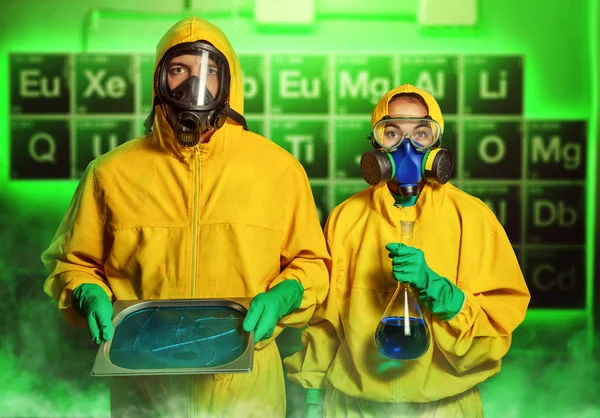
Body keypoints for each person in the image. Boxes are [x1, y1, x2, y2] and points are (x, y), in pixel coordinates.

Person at [41, 16, 330, 418]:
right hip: (144, 390)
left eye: (210, 70)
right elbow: (73, 263)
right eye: (180, 69)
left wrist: (289, 292)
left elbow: (312, 264)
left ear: (229, 83)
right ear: (160, 79)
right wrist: (85, 293)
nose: (194, 85)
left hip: (248, 395)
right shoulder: (110, 173)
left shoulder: (278, 170)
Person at [284, 84, 530, 417]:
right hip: (354, 407)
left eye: (421, 133)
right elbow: (325, 323)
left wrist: (438, 290)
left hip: (442, 407)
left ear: (436, 145)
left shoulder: (471, 218)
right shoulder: (347, 218)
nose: (407, 146)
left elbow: (496, 328)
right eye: (392, 133)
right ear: (375, 144)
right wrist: (313, 396)